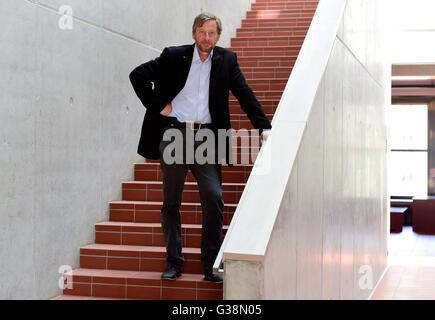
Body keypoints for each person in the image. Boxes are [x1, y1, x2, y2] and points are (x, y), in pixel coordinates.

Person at [129, 12, 272, 282]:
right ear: (195, 33)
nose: (207, 38)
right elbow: (137, 75)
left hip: (207, 138)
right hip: (175, 135)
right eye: (202, 32)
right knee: (171, 201)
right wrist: (159, 105)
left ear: (218, 35)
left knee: (213, 196)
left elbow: (244, 93)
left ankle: (210, 263)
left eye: (212, 33)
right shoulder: (174, 56)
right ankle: (174, 261)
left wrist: (264, 127)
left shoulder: (226, 60)